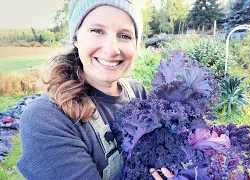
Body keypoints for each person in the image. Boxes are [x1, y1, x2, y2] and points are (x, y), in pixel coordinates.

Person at [17, 0, 174, 179]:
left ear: (135, 45)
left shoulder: (137, 93)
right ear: (76, 37)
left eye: (125, 36)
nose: (112, 49)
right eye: (97, 31)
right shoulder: (47, 118)